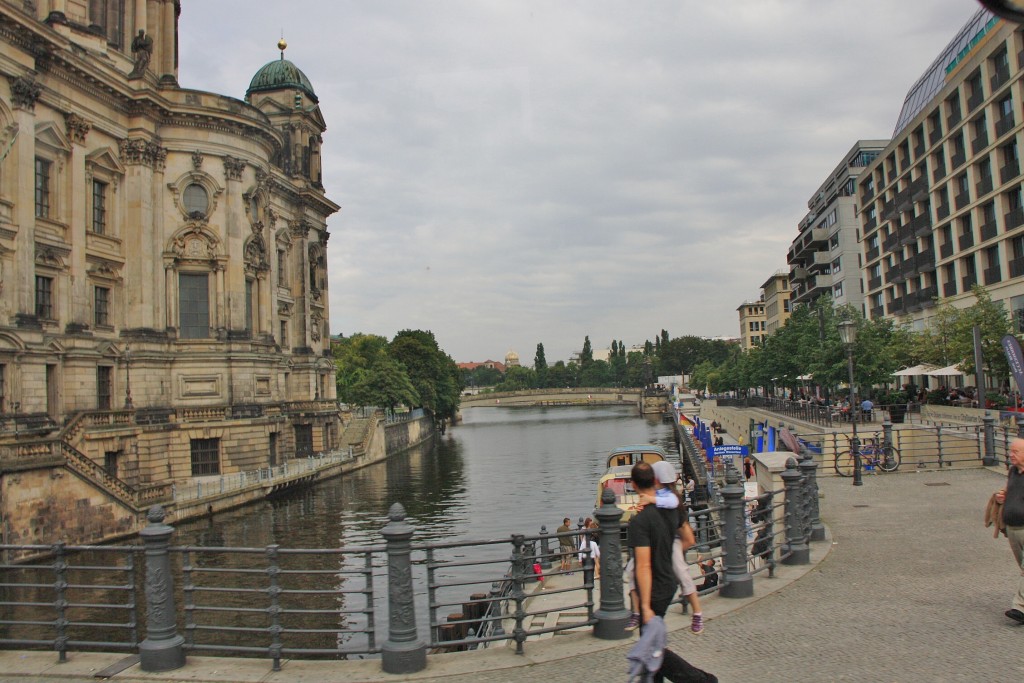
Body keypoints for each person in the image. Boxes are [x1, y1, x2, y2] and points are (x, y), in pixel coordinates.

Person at [627, 461, 717, 682]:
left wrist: (644, 605)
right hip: (668, 581)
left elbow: (643, 566)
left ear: (634, 485)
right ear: (654, 480)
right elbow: (688, 539)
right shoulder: (670, 509)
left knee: (651, 646)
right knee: (651, 641)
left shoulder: (640, 520)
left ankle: (701, 680)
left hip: (654, 588)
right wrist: (668, 554)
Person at [643, 460, 705, 634]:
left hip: (670, 541)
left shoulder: (670, 499)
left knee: (681, 572)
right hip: (660, 542)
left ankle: (697, 612)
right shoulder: (662, 495)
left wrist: (669, 552)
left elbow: (687, 538)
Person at [995, 438, 1024, 624]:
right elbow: (1008, 492)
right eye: (1010, 451)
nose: (1010, 455)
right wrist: (1001, 497)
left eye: (1015, 452)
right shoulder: (1013, 471)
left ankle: (1020, 607)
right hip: (1013, 529)